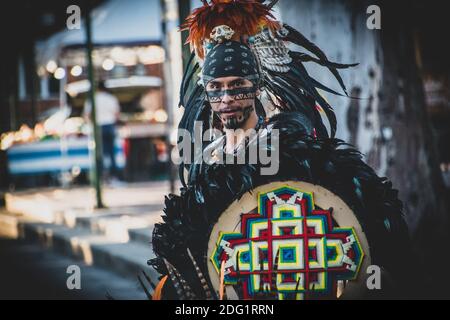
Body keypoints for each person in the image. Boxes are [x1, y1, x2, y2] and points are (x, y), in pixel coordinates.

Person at [148, 0, 412, 300]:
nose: (226, 98)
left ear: (257, 85)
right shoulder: (207, 163)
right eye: (215, 87)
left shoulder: (293, 154)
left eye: (237, 84)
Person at [84, 80, 120, 180]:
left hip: (98, 127)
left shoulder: (92, 99)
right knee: (112, 152)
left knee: (99, 152)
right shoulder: (111, 98)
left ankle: (101, 176)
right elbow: (117, 114)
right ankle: (114, 176)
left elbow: (87, 116)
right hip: (109, 125)